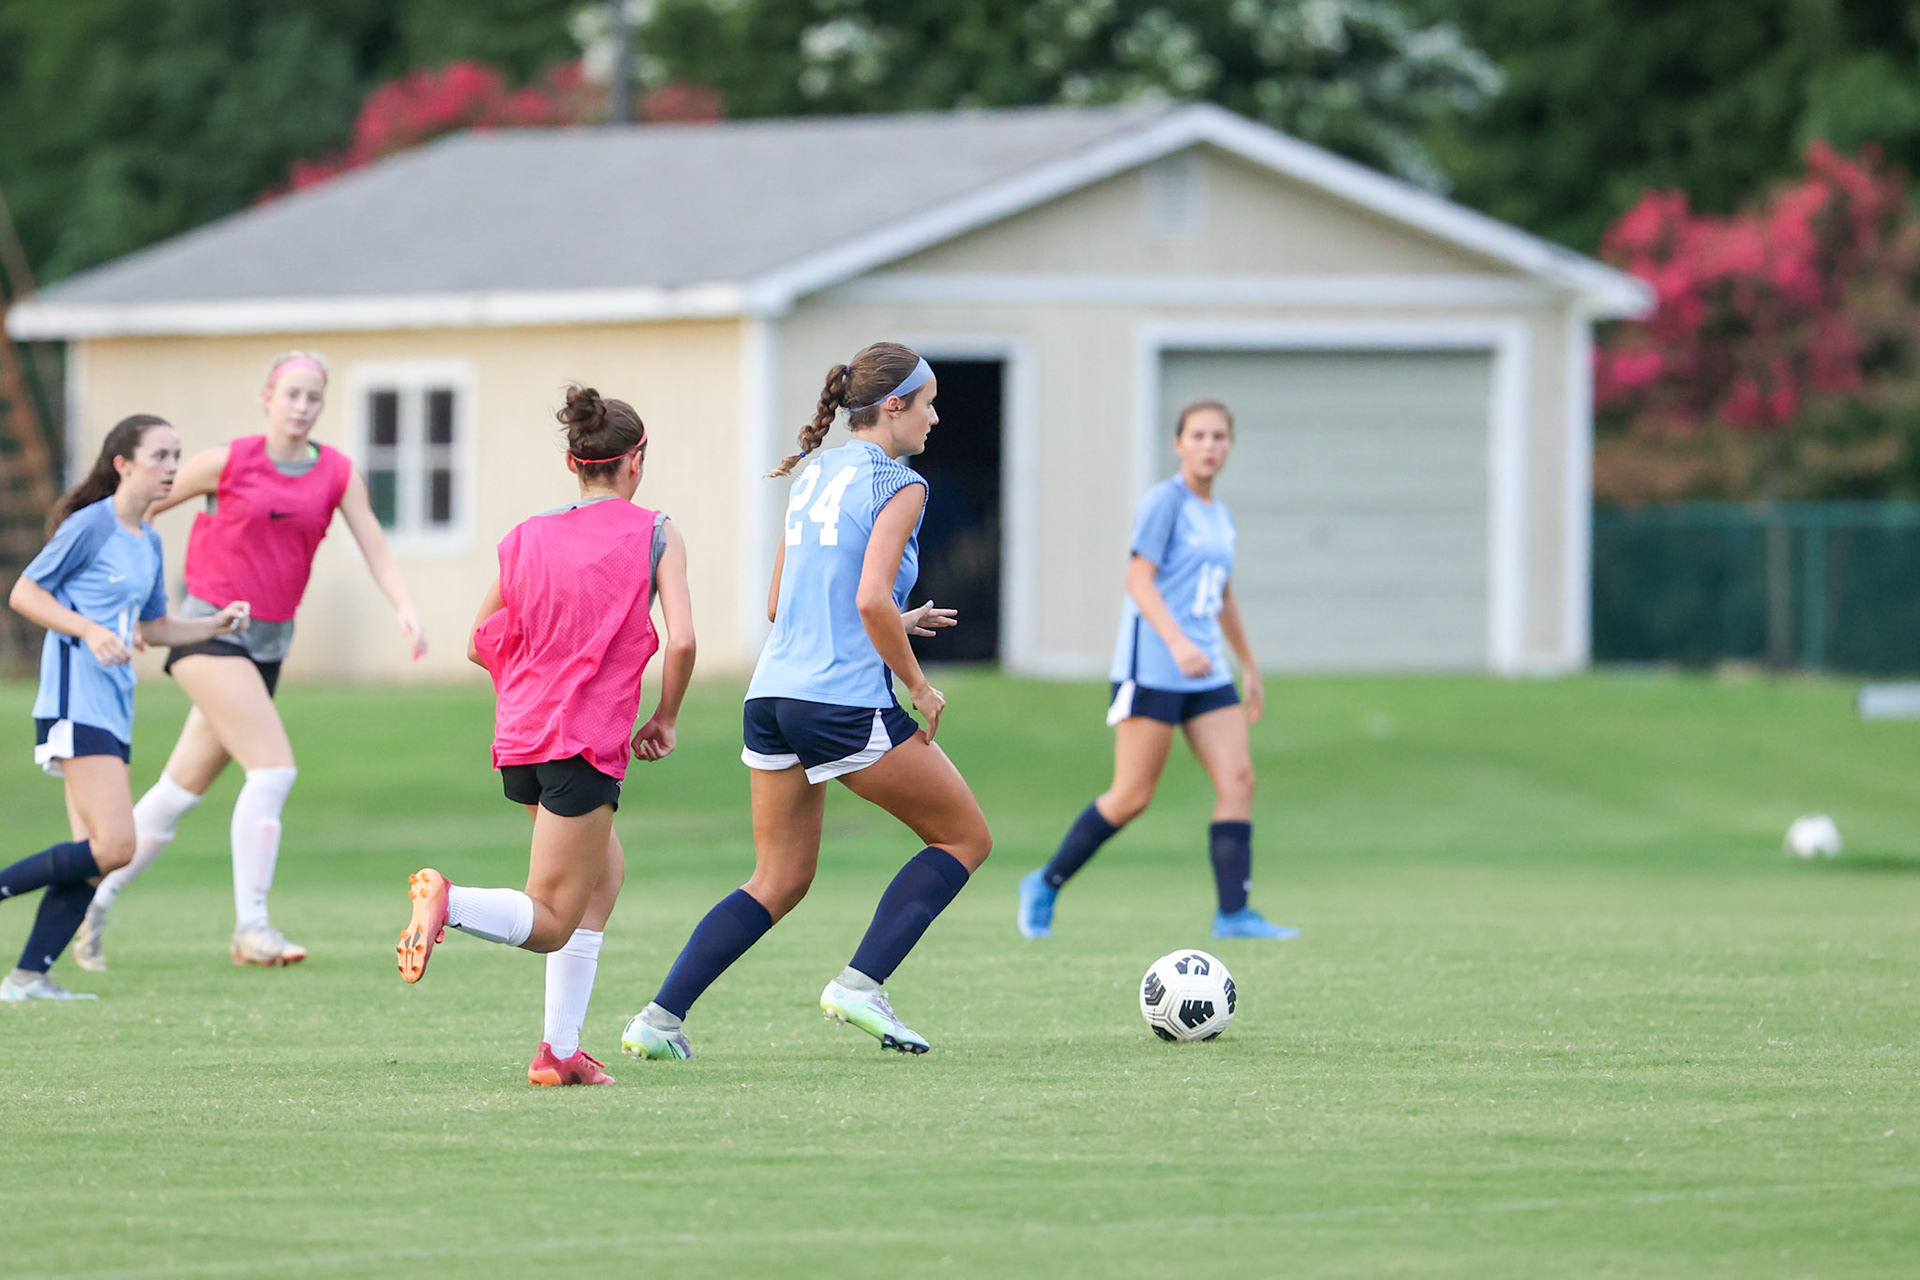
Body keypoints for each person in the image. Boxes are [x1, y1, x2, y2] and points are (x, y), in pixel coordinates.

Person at [620, 341, 987, 1063]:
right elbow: (870, 597)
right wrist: (916, 681)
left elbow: (779, 603)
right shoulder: (900, 484)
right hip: (839, 701)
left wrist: (894, 624)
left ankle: (657, 1022)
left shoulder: (814, 471)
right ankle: (860, 985)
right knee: (964, 839)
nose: (937, 418)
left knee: (778, 880)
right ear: (893, 407)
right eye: (930, 403)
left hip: (773, 697)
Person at [73, 351, 427, 971]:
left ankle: (87, 903)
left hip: (267, 646)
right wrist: (125, 606)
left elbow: (374, 544)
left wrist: (404, 606)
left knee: (177, 794)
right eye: (291, 393)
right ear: (267, 396)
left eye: (313, 396)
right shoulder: (225, 461)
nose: (301, 406)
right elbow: (134, 511)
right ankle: (252, 926)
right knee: (273, 771)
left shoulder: (337, 472)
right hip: (206, 630)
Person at [396, 386, 694, 1088]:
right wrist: (665, 716)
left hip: (522, 740)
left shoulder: (528, 534)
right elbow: (681, 643)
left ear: (573, 462)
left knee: (603, 879)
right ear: (637, 461)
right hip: (581, 744)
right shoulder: (655, 530)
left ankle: (558, 1052)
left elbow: (478, 641)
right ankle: (451, 900)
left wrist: (539, 676)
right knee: (556, 918)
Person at [1016, 399, 1297, 941]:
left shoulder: (1221, 515)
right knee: (1132, 796)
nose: (1209, 446)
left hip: (1208, 673)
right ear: (1179, 443)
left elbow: (1223, 597)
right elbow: (1138, 580)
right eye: (1198, 436)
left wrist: (1250, 667)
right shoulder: (1164, 503)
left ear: (1230, 445)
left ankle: (1233, 915)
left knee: (1239, 780)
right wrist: (1178, 642)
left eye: (1219, 437)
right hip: (1154, 669)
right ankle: (1045, 883)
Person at [3, 416, 250, 1000]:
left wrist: (212, 623)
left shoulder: (149, 539)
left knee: (92, 859)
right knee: (117, 846)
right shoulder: (91, 526)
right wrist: (87, 630)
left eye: (177, 454)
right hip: (73, 701)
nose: (172, 466)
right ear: (123, 464)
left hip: (113, 707)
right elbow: (24, 592)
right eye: (160, 455)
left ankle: (27, 977)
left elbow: (153, 626)